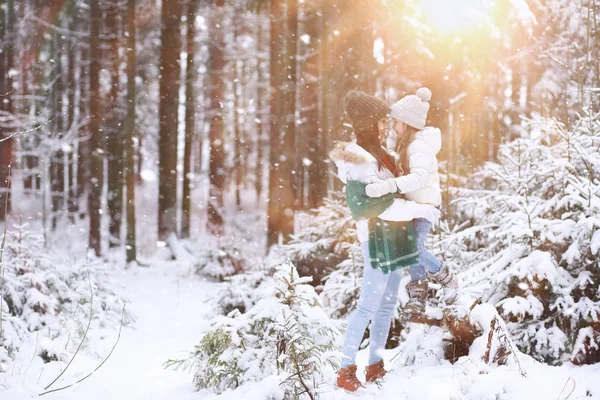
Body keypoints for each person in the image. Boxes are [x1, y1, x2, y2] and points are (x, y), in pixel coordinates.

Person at [329, 90, 440, 392]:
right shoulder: (360, 161)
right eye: (380, 121)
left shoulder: (381, 155)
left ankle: (375, 366)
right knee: (367, 306)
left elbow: (398, 191)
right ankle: (345, 369)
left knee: (386, 306)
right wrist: (421, 209)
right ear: (368, 123)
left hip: (394, 234)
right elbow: (379, 206)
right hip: (377, 237)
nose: (386, 126)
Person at [365, 88, 459, 316]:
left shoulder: (418, 146)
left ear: (406, 124)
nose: (393, 127)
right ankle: (418, 298)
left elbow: (418, 179)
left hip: (426, 206)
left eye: (396, 122)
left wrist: (391, 186)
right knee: (410, 249)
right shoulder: (406, 146)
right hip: (413, 206)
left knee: (414, 249)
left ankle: (447, 278)